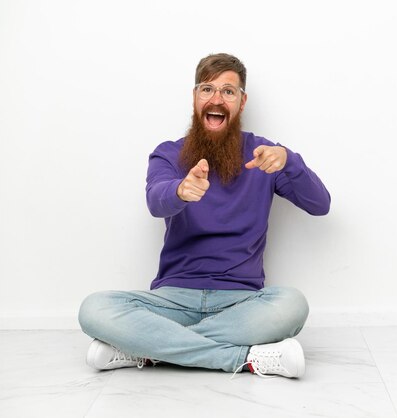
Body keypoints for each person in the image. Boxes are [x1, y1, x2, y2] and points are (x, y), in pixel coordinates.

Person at [78, 53, 331, 378]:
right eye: (207, 89)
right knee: (94, 308)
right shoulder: (168, 153)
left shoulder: (265, 156)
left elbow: (320, 204)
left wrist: (290, 161)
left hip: (242, 303)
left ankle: (148, 350)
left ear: (242, 101)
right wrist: (180, 191)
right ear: (195, 98)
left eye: (228, 91)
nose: (217, 98)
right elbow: (156, 201)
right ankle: (246, 359)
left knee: (292, 304)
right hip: (172, 300)